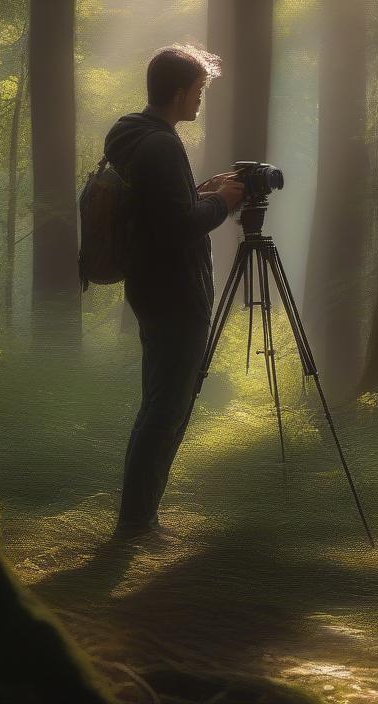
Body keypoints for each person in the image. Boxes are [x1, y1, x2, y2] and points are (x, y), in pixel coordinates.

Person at [103, 44, 245, 540]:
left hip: (150, 288)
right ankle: (137, 522)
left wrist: (199, 192)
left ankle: (138, 516)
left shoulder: (130, 132)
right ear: (180, 92)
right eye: (199, 91)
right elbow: (177, 226)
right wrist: (223, 203)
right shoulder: (163, 144)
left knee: (158, 402)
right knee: (166, 409)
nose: (201, 101)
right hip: (176, 294)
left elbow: (157, 211)